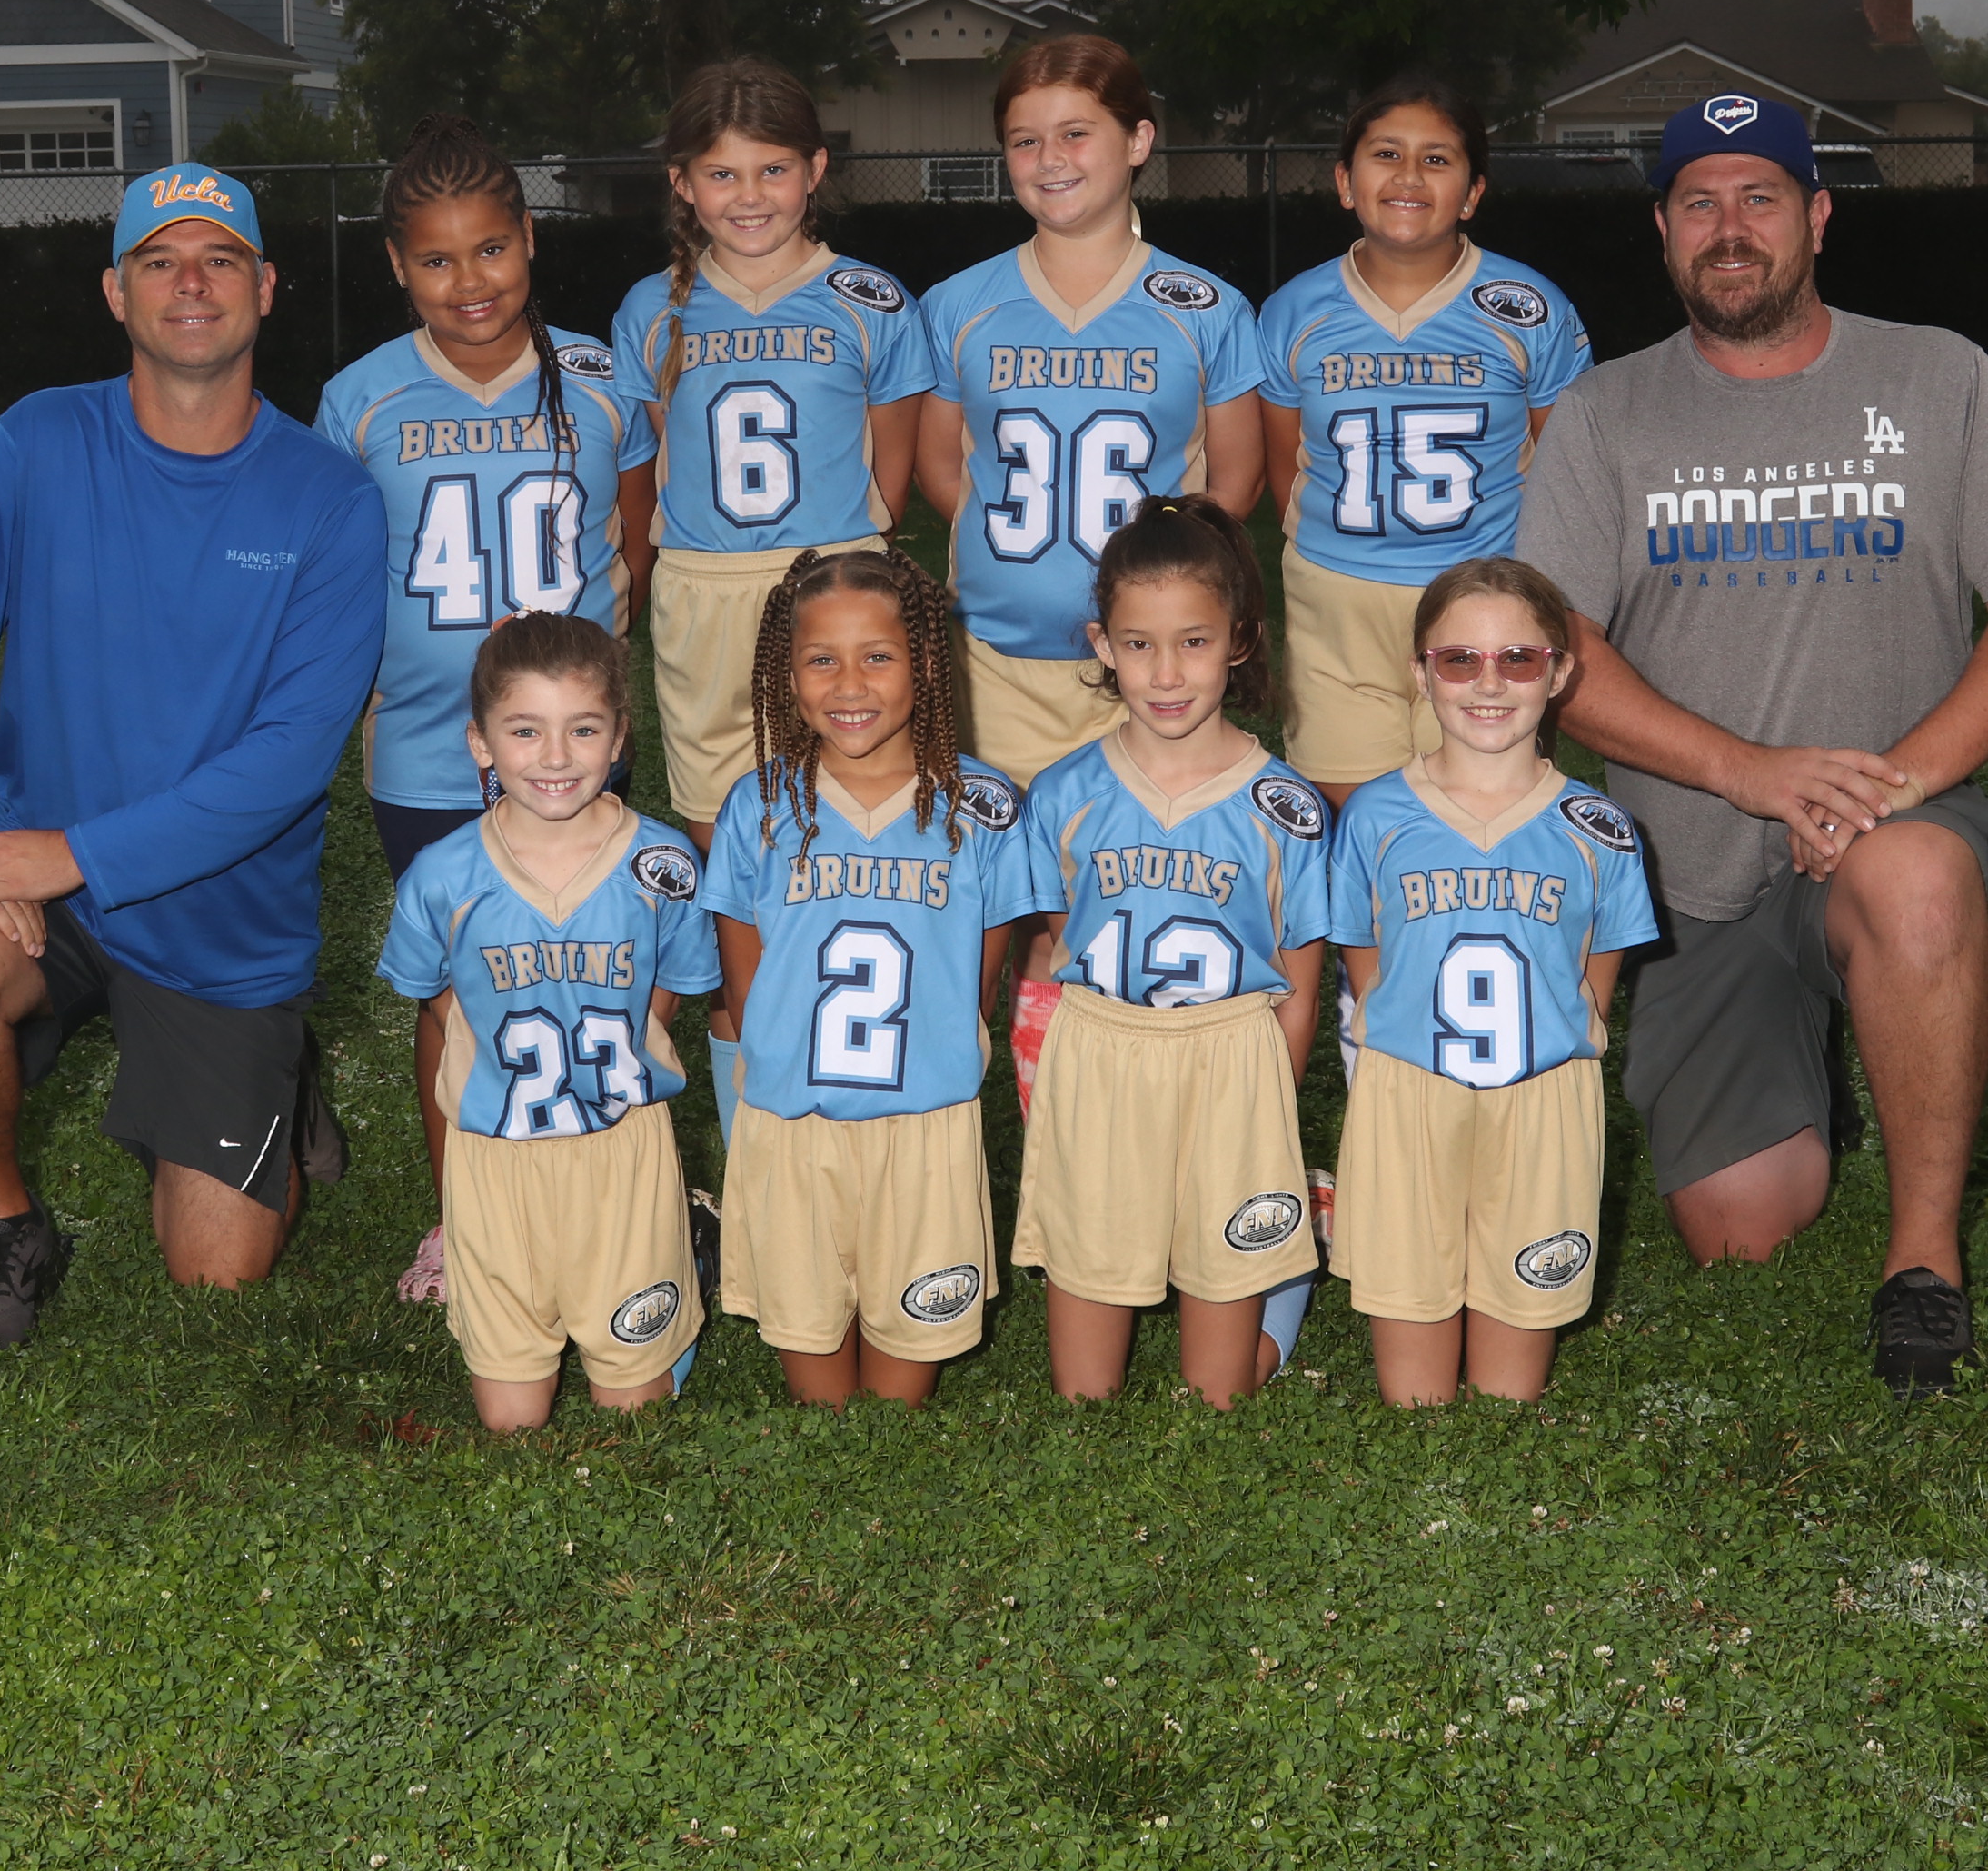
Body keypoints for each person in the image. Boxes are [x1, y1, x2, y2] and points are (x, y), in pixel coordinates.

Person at [1510, 92, 1988, 1398]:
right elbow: (1554, 653)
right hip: (1691, 870)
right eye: (1700, 204)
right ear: (1664, 230)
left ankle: (1924, 1265)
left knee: (1918, 879)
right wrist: (1754, 775)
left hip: (1888, 824)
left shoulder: (1939, 377)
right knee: (1742, 1232)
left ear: (1818, 218)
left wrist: (1891, 786)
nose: (1732, 228)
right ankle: (1814, 1058)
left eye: (1760, 198)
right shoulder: (1604, 414)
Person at [0, 163, 383, 1349]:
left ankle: (276, 1073)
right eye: (160, 261)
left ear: (265, 287)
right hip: (48, 899)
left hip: (219, 923)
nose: (191, 283)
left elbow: (290, 760)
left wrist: (70, 852)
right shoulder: (39, 442)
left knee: (215, 1278)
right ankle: (6, 1224)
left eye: (219, 259)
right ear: (116, 291)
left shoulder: (328, 499)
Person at [314, 116, 648, 1306]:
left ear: (530, 240)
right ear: (397, 265)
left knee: (590, 973)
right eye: (438, 258)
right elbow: (336, 571)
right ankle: (464, 1219)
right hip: (426, 749)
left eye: (492, 248)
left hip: (572, 747)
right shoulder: (360, 398)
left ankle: (602, 1205)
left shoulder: (601, 377)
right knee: (462, 990)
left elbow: (635, 540)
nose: (470, 280)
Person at [701, 548, 1041, 1408]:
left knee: (898, 1404)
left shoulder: (982, 807)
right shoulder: (759, 806)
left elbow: (975, 989)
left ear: (924, 663)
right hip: (792, 1131)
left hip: (925, 1129)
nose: (849, 685)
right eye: (822, 659)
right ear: (786, 675)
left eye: (877, 656)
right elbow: (746, 993)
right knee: (820, 1400)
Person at [1012, 496, 1330, 1408]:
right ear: (1102, 644)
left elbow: (1299, 987)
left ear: (1239, 640)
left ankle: (1289, 1268)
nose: (1165, 672)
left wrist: (1267, 1115)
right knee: (1084, 1393)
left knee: (1220, 1392)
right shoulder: (1065, 791)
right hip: (1101, 1059)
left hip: (1232, 1063)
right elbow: (1053, 947)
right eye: (1139, 643)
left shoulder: (1284, 807)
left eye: (1193, 642)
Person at [374, 612, 721, 1430]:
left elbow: (669, 990)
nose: (556, 756)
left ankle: (683, 1252)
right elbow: (435, 994)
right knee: (510, 1420)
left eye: (583, 729)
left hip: (622, 1149)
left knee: (632, 1410)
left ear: (620, 737)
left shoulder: (662, 865)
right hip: (495, 1161)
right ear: (480, 742)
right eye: (525, 730)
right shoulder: (443, 876)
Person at [1326, 558, 1659, 1407]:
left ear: (1560, 671)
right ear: (1419, 672)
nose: (1488, 683)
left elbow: (1591, 990)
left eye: (1518, 658)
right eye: (1459, 659)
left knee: (1510, 1399)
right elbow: (1368, 966)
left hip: (1543, 1098)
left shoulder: (1599, 829)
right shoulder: (1374, 815)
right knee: (1416, 1401)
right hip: (1409, 1096)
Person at [916, 35, 1267, 801]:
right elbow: (942, 471)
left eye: (1076, 133)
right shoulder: (958, 304)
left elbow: (1237, 482)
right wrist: (1020, 557)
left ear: (1138, 140)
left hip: (1149, 666)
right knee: (1004, 863)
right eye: (1025, 141)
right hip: (994, 663)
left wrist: (1157, 582)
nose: (1050, 159)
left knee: (1130, 860)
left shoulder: (1205, 309)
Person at [612, 58, 932, 849]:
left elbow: (889, 479)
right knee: (721, 827)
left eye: (774, 170)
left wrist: (851, 570)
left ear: (814, 169)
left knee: (854, 814)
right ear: (682, 183)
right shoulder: (651, 308)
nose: (749, 195)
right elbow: (670, 454)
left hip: (835, 583)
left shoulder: (871, 302)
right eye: (722, 173)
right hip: (704, 590)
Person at [1259, 75, 1591, 807]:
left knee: (1481, 816)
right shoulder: (1294, 311)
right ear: (1345, 181)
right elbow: (1288, 472)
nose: (1409, 176)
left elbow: (1569, 477)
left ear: (1472, 194)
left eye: (1437, 159)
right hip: (1337, 602)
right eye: (1386, 154)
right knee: (1357, 823)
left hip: (1483, 600)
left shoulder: (1529, 309)